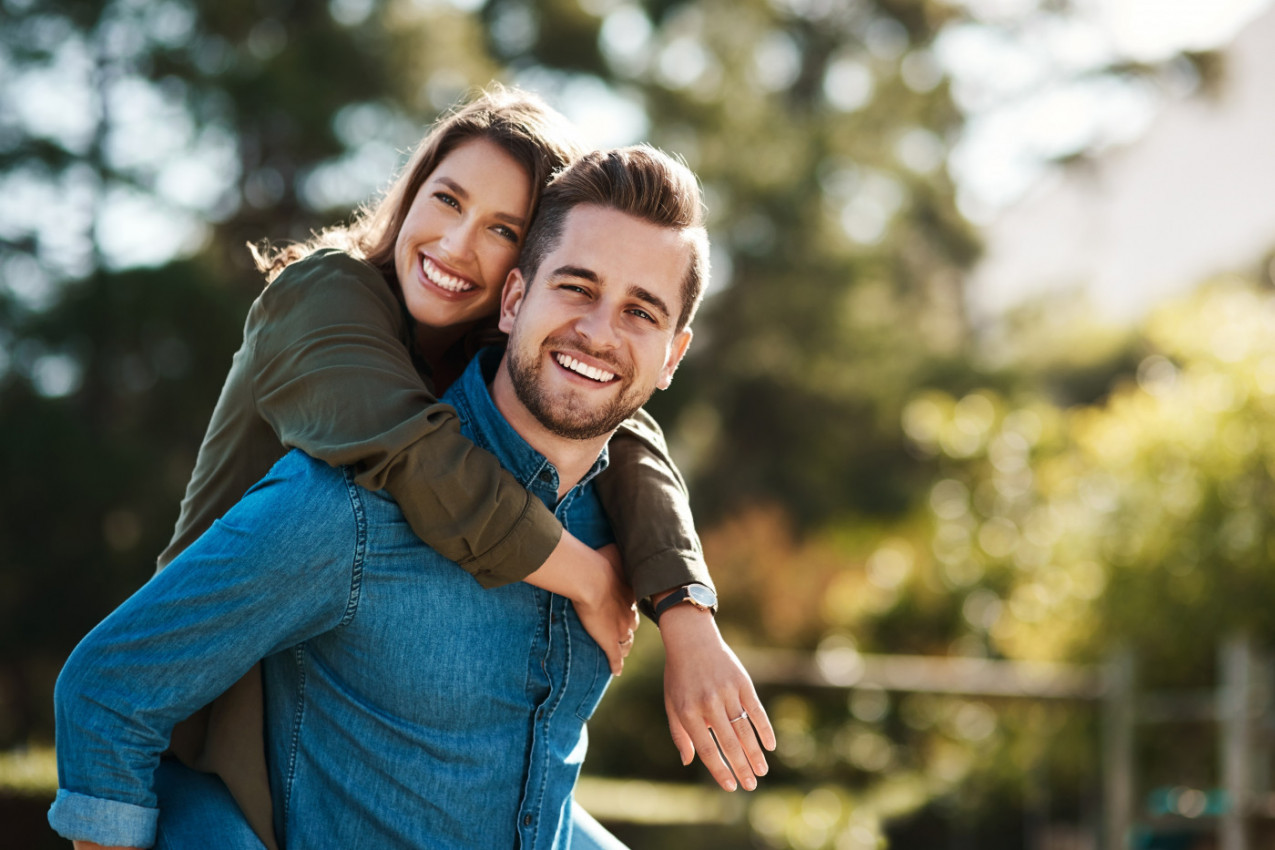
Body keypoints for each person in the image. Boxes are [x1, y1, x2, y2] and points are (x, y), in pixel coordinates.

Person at [51, 145, 769, 849]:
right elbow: (104, 694)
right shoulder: (347, 503)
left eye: (640, 312)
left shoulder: (614, 516)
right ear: (515, 298)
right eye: (576, 286)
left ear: (673, 356)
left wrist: (687, 612)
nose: (598, 331)